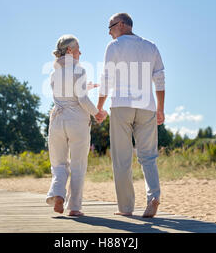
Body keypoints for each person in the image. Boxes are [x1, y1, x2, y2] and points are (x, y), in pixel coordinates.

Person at [96, 13, 165, 218]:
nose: (109, 31)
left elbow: (106, 78)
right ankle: (153, 196)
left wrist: (99, 107)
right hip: (147, 106)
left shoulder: (114, 46)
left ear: (124, 25)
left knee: (122, 158)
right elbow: (160, 79)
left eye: (111, 26)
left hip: (121, 105)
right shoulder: (151, 46)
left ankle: (126, 208)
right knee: (149, 156)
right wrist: (160, 108)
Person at [46, 34, 107, 216]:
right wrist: (97, 112)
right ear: (70, 51)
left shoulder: (53, 73)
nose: (81, 51)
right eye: (78, 48)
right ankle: (74, 207)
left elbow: (66, 94)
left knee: (58, 163)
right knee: (78, 164)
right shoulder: (79, 70)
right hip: (77, 121)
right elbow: (81, 99)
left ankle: (58, 194)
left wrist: (85, 87)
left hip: (57, 121)